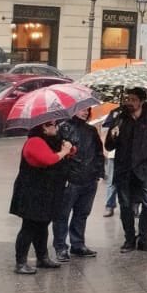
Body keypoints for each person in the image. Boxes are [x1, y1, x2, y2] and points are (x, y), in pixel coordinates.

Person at [9, 119, 76, 273]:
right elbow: (49, 159)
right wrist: (64, 152)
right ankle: (21, 263)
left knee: (42, 224)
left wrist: (69, 148)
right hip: (32, 192)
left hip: (46, 191)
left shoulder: (51, 140)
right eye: (52, 124)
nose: (56, 127)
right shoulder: (34, 142)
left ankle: (42, 258)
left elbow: (66, 152)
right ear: (44, 128)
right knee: (29, 226)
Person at [106, 89, 147, 253]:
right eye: (127, 99)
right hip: (124, 171)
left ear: (141, 101)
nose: (129, 102)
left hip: (144, 171)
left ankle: (144, 239)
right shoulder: (120, 119)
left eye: (133, 99)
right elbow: (109, 146)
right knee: (125, 206)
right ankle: (129, 239)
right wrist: (112, 135)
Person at [52, 106, 105, 261]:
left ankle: (78, 244)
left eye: (87, 109)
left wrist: (98, 174)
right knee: (62, 214)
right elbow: (56, 154)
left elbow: (99, 153)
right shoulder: (63, 128)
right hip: (70, 180)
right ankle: (61, 247)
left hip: (89, 179)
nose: (85, 112)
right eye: (82, 109)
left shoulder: (91, 130)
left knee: (82, 214)